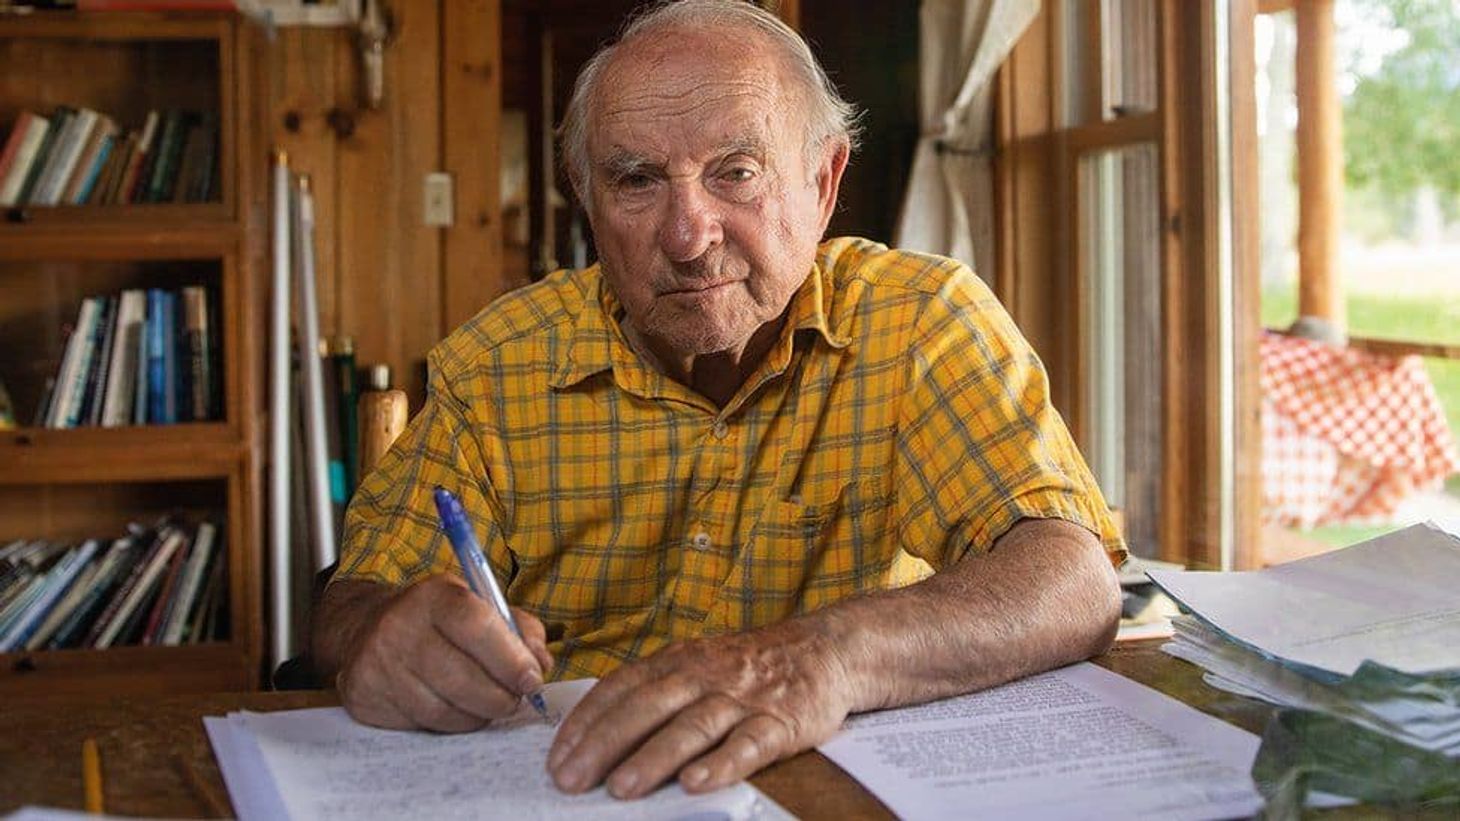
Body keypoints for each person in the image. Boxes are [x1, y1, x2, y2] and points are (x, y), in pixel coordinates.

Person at [312, 0, 1125, 802]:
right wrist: (376, 638)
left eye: (735, 172)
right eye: (636, 180)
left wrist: (818, 659)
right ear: (586, 200)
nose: (689, 235)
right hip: (565, 786)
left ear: (823, 180)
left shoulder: (920, 324)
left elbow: (1071, 581)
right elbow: (356, 600)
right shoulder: (497, 365)